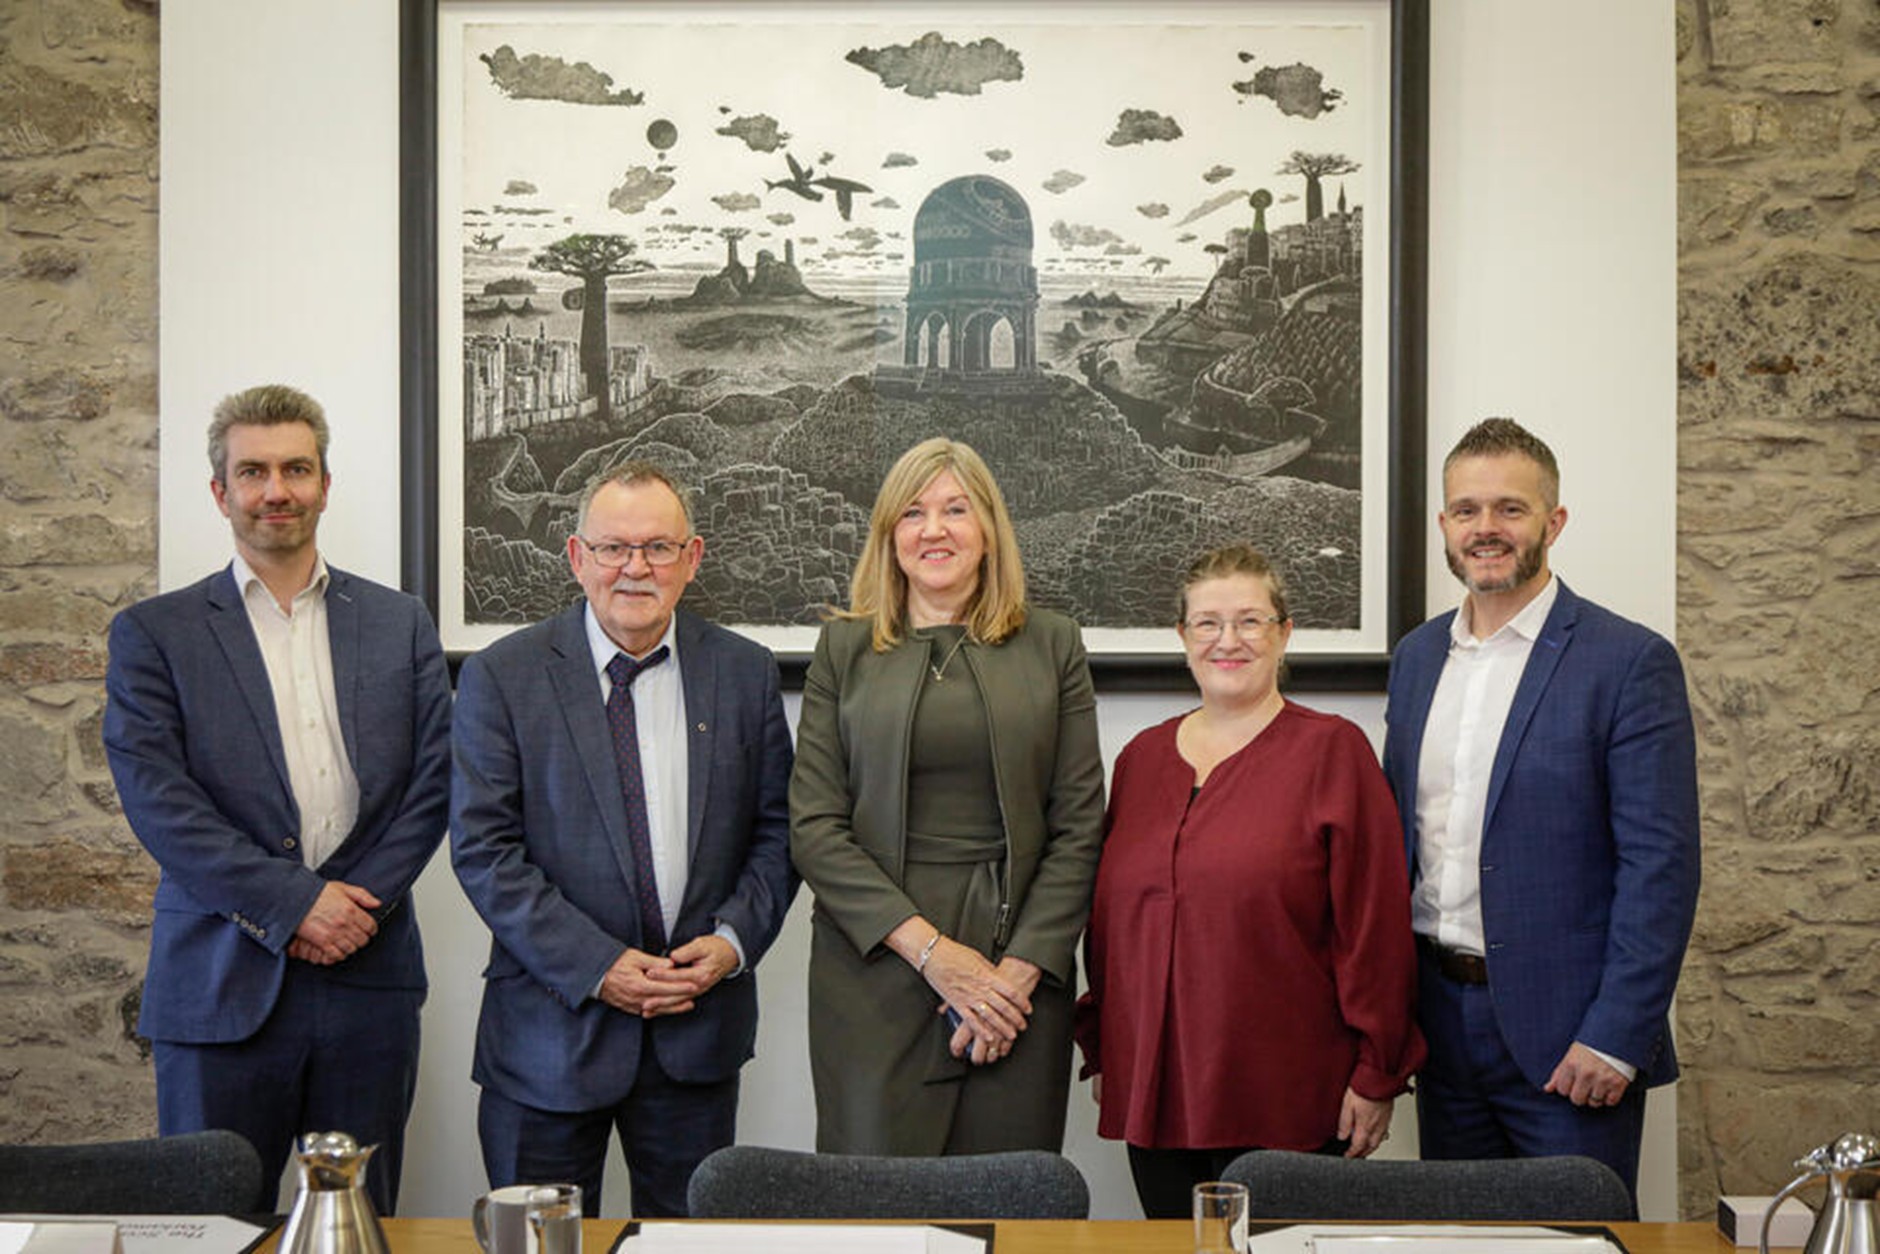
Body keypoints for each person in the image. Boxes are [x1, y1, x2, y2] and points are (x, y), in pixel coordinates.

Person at [102, 384, 451, 1213]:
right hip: (220, 986)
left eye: (296, 468)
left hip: (369, 979)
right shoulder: (156, 634)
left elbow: (434, 780)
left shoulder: (400, 622)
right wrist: (298, 906)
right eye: (252, 471)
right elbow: (161, 804)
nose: (276, 490)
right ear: (221, 493)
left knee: (360, 1223)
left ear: (325, 484)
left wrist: (351, 908)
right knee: (214, 1224)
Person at [450, 462, 796, 1218]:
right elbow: (485, 851)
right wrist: (598, 964)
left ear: (693, 557)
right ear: (577, 557)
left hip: (694, 1037)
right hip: (546, 1039)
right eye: (612, 548)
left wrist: (734, 942)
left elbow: (778, 832)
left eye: (658, 548)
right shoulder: (501, 677)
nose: (635, 567)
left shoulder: (744, 673)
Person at [1383, 418, 1700, 1204]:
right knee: (1455, 1242)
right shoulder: (1418, 659)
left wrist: (1617, 1035)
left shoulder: (1628, 662)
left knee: (1576, 1241)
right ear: (1444, 527)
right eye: (1466, 510)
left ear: (1553, 522)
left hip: (1572, 1037)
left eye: (1509, 509)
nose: (1485, 528)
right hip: (1441, 1028)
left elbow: (1660, 866)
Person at [1075, 543, 1424, 1218]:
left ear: (1284, 632)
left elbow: (1374, 928)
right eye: (1207, 623)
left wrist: (1380, 1072)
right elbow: (1113, 925)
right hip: (1158, 1090)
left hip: (1290, 1093)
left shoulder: (1333, 751)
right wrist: (1110, 1052)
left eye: (1250, 621)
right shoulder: (1141, 759)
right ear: (1182, 637)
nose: (1227, 640)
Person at [790, 437, 1106, 1155]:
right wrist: (937, 957)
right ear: (888, 536)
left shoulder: (1054, 644)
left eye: (955, 509)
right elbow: (813, 827)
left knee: (1010, 1208)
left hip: (1017, 979)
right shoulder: (843, 650)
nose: (933, 529)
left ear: (989, 529)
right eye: (912, 513)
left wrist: (1012, 981)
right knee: (878, 1215)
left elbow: (1080, 826)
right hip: (874, 967)